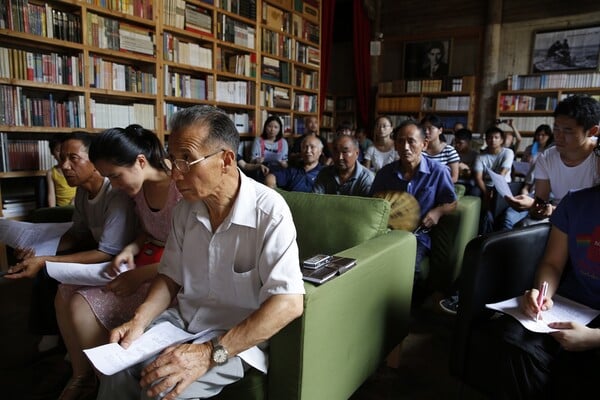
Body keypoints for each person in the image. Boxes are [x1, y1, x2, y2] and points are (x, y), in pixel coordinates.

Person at [96, 105, 305, 400]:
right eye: (172, 159)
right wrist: (139, 320)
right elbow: (169, 277)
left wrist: (210, 353)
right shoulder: (185, 210)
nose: (175, 172)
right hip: (182, 322)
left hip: (232, 337)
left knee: (161, 389)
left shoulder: (269, 212)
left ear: (226, 160)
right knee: (115, 366)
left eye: (187, 160)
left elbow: (289, 302)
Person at [51, 125, 183, 400]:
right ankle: (90, 377)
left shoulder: (180, 189)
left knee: (81, 302)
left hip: (175, 278)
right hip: (149, 263)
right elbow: (147, 231)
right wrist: (130, 249)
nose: (116, 185)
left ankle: (106, 383)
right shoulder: (139, 190)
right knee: (67, 291)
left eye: (116, 176)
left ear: (141, 161)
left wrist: (140, 275)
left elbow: (191, 256)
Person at [5, 132, 138, 361]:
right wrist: (38, 251)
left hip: (119, 259)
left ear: (95, 161)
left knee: (49, 267)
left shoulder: (115, 194)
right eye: (62, 158)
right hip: (99, 249)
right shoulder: (82, 192)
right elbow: (77, 234)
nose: (64, 166)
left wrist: (45, 260)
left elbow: (107, 251)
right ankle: (55, 331)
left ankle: (68, 335)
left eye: (73, 158)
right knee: (44, 265)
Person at [488, 181, 600, 398]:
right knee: (513, 339)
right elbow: (552, 263)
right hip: (572, 304)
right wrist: (542, 294)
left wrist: (595, 338)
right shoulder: (576, 202)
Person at [370, 119, 457, 281]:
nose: (405, 147)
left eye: (411, 142)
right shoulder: (384, 174)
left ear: (424, 144)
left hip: (416, 236)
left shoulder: (438, 171)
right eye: (400, 142)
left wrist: (438, 212)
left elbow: (451, 202)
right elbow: (373, 204)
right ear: (395, 145)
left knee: (410, 270)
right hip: (385, 233)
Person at [502, 95, 600, 230]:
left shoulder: (597, 157)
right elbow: (541, 203)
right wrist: (534, 206)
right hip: (559, 221)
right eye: (556, 128)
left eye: (567, 130)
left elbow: (592, 210)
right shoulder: (547, 157)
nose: (558, 136)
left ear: (592, 131)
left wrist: (552, 210)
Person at [473, 125, 515, 233]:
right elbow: (478, 178)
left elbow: (502, 174)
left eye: (496, 137)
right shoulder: (480, 156)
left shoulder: (508, 152)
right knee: (474, 192)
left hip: (503, 184)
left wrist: (492, 190)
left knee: (496, 198)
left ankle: (495, 230)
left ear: (501, 140)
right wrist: (487, 192)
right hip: (486, 185)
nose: (493, 140)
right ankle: (477, 226)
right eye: (490, 137)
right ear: (486, 140)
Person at [421, 114, 460, 183]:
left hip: (442, 187)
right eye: (424, 129)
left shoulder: (449, 151)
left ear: (440, 130)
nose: (426, 132)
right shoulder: (419, 150)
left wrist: (435, 186)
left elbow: (454, 178)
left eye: (430, 128)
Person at [46, 136, 76, 207]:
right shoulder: (51, 173)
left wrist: (75, 201)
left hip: (76, 204)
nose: (61, 153)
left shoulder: (75, 169)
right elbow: (51, 194)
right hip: (60, 208)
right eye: (58, 150)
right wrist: (52, 210)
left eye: (64, 150)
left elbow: (82, 189)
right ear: (52, 153)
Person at [454, 128, 480, 194]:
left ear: (468, 142)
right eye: (456, 142)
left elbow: (474, 174)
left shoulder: (475, 155)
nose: (457, 145)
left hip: (469, 183)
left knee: (475, 191)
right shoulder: (452, 153)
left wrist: (466, 170)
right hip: (454, 181)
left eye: (460, 143)